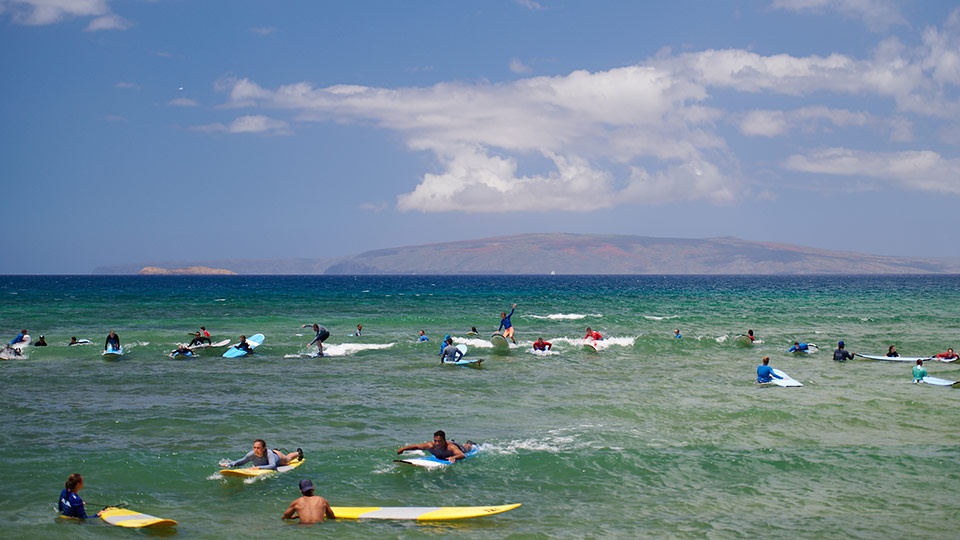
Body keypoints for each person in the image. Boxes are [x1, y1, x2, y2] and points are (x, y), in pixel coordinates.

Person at [397, 430, 476, 464]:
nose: (437, 443)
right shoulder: (431, 445)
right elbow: (417, 446)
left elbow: (462, 455)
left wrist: (454, 457)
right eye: (435, 441)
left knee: (467, 449)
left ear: (444, 440)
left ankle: (469, 443)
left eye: (439, 441)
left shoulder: (450, 447)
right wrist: (403, 449)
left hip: (457, 446)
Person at [223, 439, 303, 470]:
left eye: (258, 448)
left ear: (264, 448)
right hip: (271, 455)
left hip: (277, 457)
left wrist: (258, 467)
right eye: (254, 447)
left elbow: (273, 466)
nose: (256, 450)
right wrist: (229, 465)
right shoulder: (251, 454)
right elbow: (241, 462)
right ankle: (275, 450)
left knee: (288, 459)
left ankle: (299, 453)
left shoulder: (268, 453)